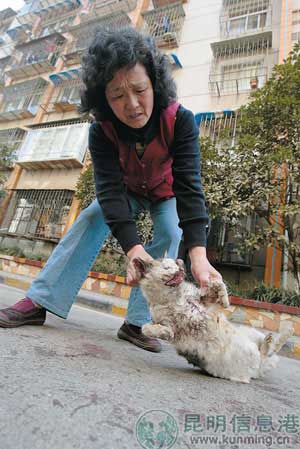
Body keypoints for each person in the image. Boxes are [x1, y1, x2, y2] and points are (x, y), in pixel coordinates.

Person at [0, 27, 222, 352]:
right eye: (117, 95)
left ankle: (135, 322)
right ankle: (40, 300)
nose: (132, 105)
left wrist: (198, 258)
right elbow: (108, 190)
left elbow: (190, 186)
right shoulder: (101, 131)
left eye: (139, 90)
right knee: (92, 216)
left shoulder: (181, 121)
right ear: (103, 99)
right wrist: (133, 250)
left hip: (166, 192)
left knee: (171, 233)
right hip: (127, 192)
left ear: (154, 84)